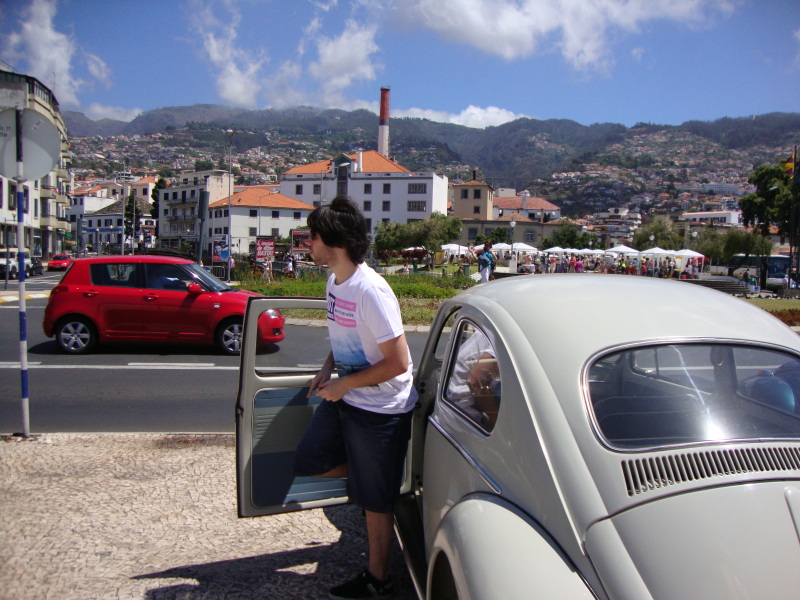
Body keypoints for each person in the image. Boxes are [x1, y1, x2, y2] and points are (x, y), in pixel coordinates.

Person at [293, 195, 417, 600]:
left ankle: (378, 581)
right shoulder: (334, 280)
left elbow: (398, 362)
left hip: (381, 406)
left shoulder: (372, 291)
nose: (306, 242)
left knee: (375, 503)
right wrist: (329, 367)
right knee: (309, 459)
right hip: (348, 393)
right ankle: (375, 479)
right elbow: (344, 334)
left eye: (312, 236)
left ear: (335, 241)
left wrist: (345, 385)